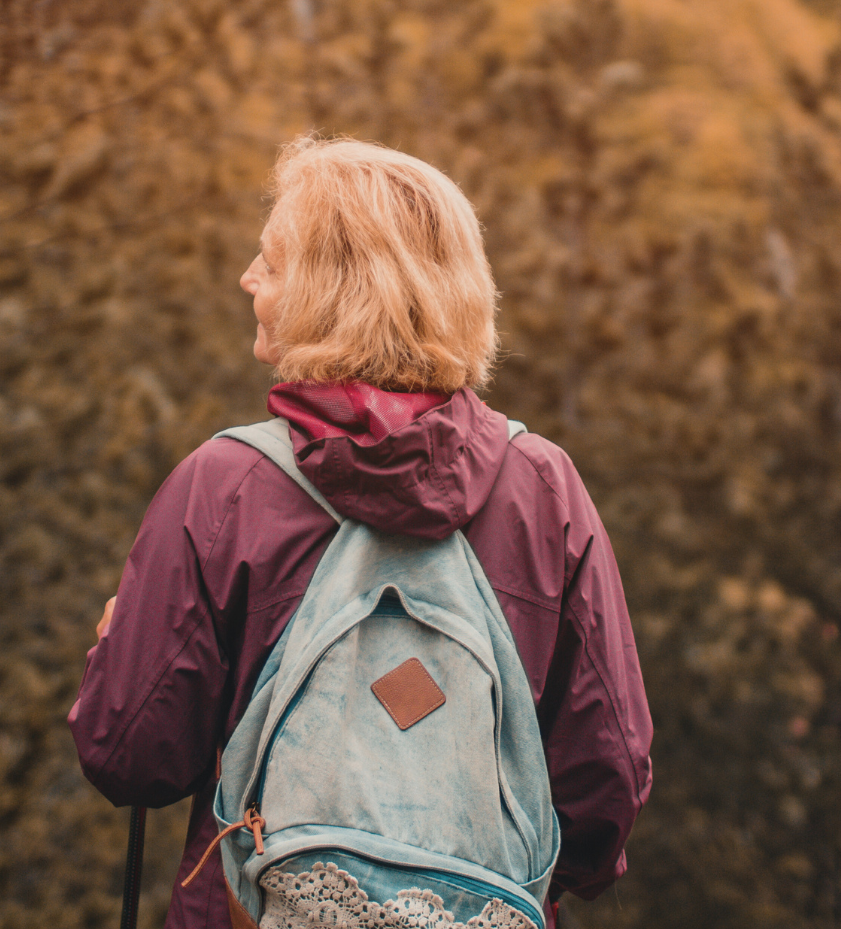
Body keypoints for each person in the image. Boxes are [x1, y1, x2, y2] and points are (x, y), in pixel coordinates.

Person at [71, 137, 654, 928]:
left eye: (270, 261)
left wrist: (117, 654)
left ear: (327, 290)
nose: (248, 277)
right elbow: (608, 778)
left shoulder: (226, 484)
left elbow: (130, 757)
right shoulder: (545, 489)